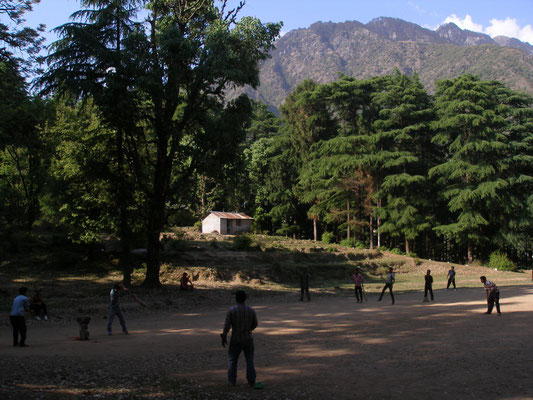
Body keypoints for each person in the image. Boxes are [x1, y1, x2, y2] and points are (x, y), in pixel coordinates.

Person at [221, 290, 258, 387]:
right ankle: (251, 380)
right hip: (248, 338)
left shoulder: (232, 310)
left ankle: (232, 380)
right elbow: (255, 324)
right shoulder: (251, 310)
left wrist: (224, 336)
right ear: (245, 299)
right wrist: (248, 329)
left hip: (236, 338)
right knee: (250, 359)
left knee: (232, 359)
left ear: (236, 299)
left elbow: (227, 326)